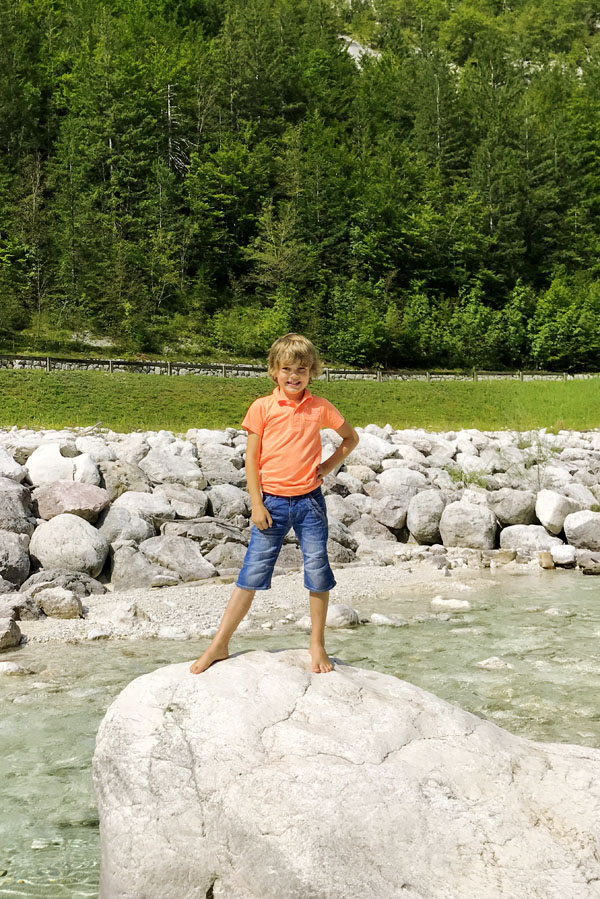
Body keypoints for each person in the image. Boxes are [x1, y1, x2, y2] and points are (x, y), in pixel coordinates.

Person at [190, 333, 359, 675]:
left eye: (302, 369)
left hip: (310, 503)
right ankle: (219, 644)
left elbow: (349, 439)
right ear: (273, 371)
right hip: (272, 503)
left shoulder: (320, 407)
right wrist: (256, 503)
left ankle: (317, 643)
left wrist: (327, 466)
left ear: (312, 372)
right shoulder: (262, 408)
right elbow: (251, 459)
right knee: (251, 572)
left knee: (317, 571)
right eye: (287, 369)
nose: (294, 376)